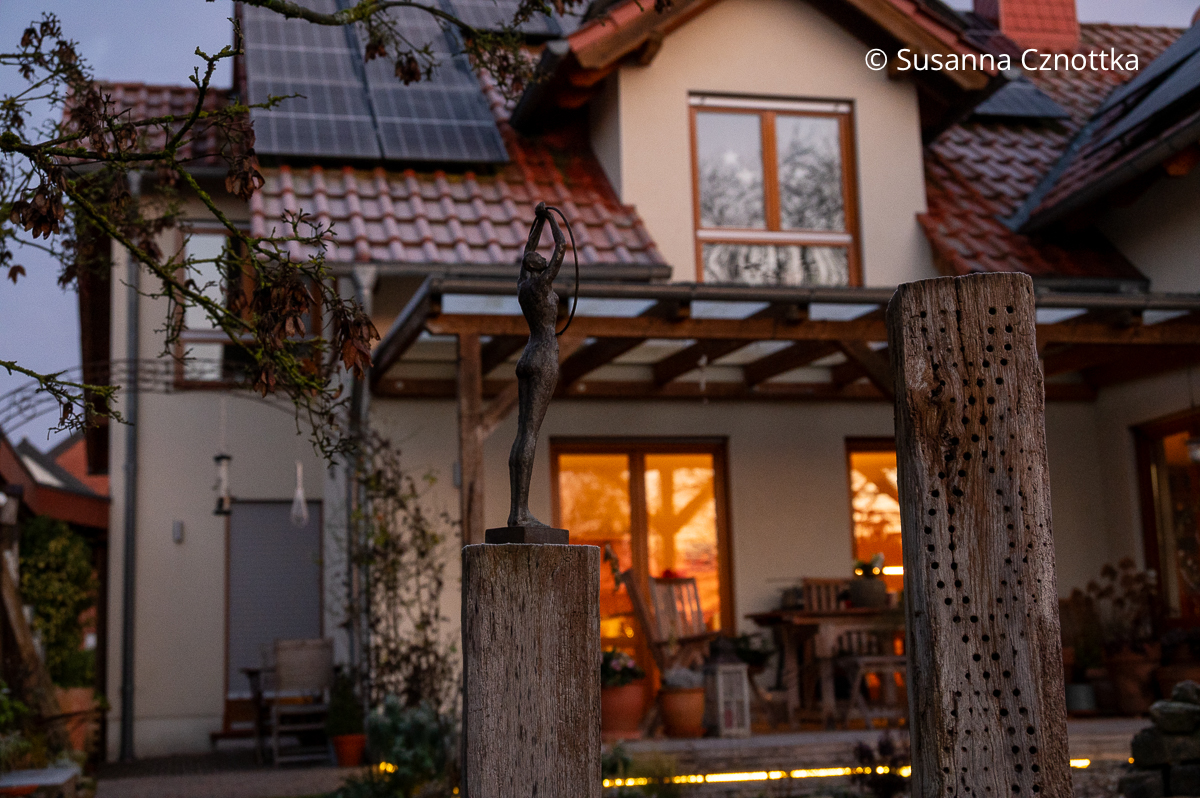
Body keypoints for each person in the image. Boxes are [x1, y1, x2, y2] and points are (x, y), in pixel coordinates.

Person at [507, 201, 566, 527]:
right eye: (540, 260)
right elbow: (562, 246)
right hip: (543, 355)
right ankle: (520, 513)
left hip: (527, 354)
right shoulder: (542, 285)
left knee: (522, 433)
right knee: (530, 434)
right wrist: (551, 219)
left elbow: (529, 248)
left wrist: (538, 221)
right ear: (538, 266)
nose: (544, 258)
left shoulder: (523, 287)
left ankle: (517, 511)